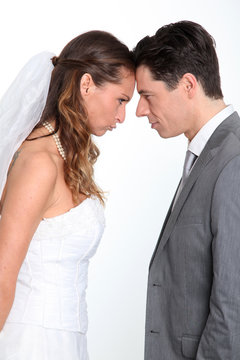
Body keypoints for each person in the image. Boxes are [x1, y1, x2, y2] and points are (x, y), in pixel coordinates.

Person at [0, 30, 135, 360]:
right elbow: (2, 273)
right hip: (30, 344)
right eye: (121, 100)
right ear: (86, 84)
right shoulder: (39, 162)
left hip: (67, 344)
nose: (122, 116)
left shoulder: (64, 155)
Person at [133, 20, 240, 359]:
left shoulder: (234, 158)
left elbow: (233, 303)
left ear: (188, 84)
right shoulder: (205, 152)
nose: (140, 111)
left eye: (148, 96)